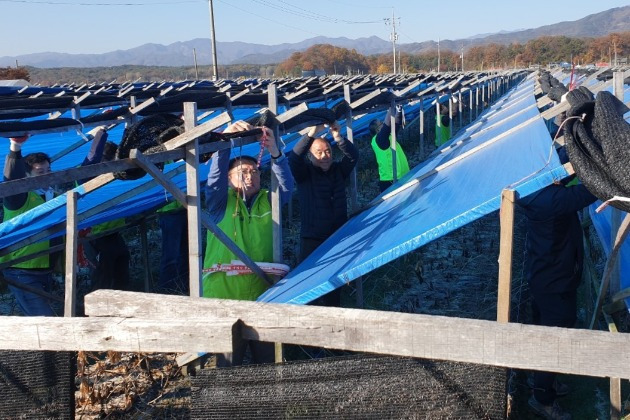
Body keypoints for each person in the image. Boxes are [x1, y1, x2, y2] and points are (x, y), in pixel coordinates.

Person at [203, 120, 293, 366]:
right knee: (227, 363)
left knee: (266, 362)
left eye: (254, 172)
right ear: (230, 179)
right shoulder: (220, 205)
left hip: (263, 294)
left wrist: (276, 152)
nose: (249, 176)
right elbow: (214, 181)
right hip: (225, 297)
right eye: (242, 172)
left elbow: (286, 187)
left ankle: (267, 404)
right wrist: (225, 143)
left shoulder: (268, 200)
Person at [518, 154, 596, 420]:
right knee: (556, 335)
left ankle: (541, 380)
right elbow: (589, 191)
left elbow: (564, 175)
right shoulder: (551, 200)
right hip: (555, 279)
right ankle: (543, 399)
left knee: (544, 330)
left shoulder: (535, 190)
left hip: (545, 275)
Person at [288, 121, 358, 305]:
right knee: (310, 282)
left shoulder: (338, 171)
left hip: (337, 236)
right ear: (310, 156)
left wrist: (338, 138)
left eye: (327, 151)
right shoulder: (305, 174)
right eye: (318, 152)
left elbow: (353, 156)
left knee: (334, 281)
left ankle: (333, 314)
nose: (325, 156)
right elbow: (294, 159)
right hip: (313, 238)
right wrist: (311, 134)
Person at [1, 135, 57, 315]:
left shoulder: (52, 195)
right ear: (27, 175)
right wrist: (15, 148)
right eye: (41, 172)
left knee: (41, 319)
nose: (47, 175)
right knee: (44, 319)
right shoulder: (19, 198)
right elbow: (12, 182)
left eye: (48, 170)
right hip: (21, 269)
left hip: (44, 268)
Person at [80, 136, 131, 292]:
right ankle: (98, 313)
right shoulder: (86, 176)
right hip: (95, 236)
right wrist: (103, 131)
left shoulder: (113, 177)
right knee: (102, 279)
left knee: (122, 275)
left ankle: (123, 309)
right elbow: (91, 158)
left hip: (113, 233)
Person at [369, 106, 410, 192]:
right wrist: (391, 107)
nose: (383, 123)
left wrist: (398, 110)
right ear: (377, 129)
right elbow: (387, 124)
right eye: (381, 123)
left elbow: (396, 124)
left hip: (400, 177)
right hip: (391, 181)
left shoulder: (389, 136)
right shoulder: (379, 140)